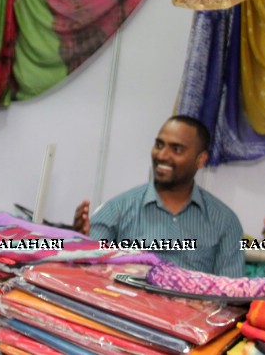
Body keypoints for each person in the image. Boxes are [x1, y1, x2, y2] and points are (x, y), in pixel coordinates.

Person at [74, 115, 244, 277]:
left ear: (200, 159)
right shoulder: (115, 210)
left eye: (176, 149)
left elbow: (229, 295)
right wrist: (81, 245)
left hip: (193, 307)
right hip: (127, 304)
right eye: (159, 145)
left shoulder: (225, 222)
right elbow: (86, 276)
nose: (162, 156)